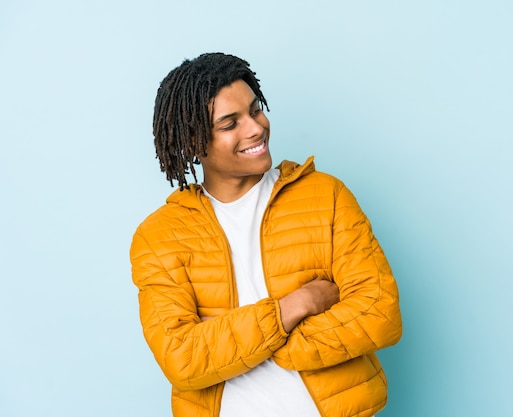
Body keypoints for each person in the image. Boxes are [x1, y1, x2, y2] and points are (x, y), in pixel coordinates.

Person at [130, 52, 402, 417]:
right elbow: (183, 358)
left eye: (255, 110)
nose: (256, 128)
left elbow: (379, 314)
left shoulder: (326, 196)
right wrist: (296, 306)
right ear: (194, 143)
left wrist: (252, 344)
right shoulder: (160, 236)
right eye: (230, 124)